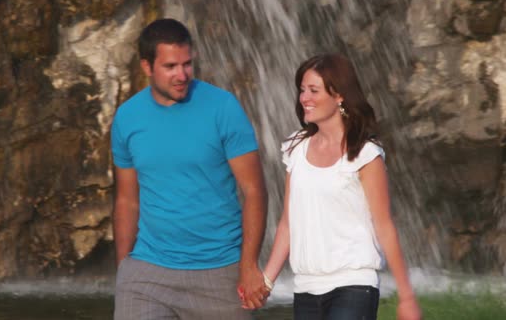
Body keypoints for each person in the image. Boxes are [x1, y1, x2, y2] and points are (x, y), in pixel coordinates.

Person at [111, 18, 269, 320]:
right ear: (147, 67)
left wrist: (248, 266)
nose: (181, 75)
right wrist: (123, 270)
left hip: (218, 270)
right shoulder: (127, 118)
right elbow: (127, 200)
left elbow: (254, 191)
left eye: (187, 64)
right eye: (170, 67)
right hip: (147, 269)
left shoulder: (223, 108)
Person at [259, 54, 422, 320]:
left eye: (313, 90)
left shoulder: (365, 154)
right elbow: (289, 223)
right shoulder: (296, 148)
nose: (304, 98)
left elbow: (384, 226)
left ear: (339, 96)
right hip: (305, 288)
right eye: (302, 90)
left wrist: (407, 297)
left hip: (354, 286)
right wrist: (266, 282)